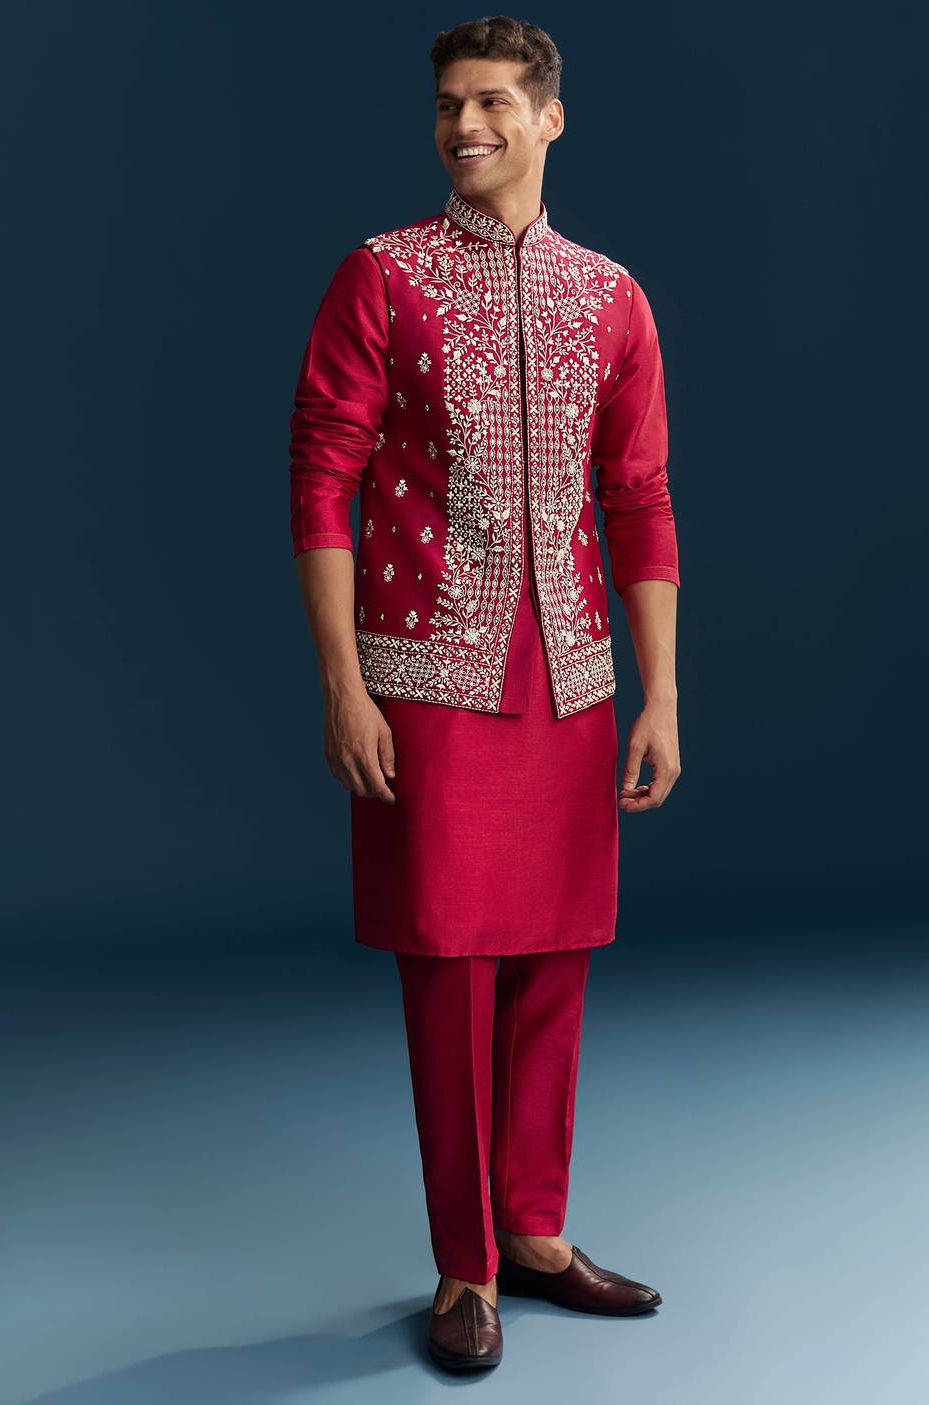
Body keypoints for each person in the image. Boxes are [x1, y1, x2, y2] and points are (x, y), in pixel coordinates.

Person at [288, 15, 680, 1372]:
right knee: (450, 967)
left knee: (557, 958)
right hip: (426, 675)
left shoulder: (612, 297)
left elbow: (640, 498)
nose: (466, 126)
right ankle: (466, 1266)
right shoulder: (381, 277)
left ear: (549, 118)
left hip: (572, 673)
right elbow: (321, 480)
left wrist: (659, 692)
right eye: (451, 104)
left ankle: (536, 1235)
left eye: (495, 102)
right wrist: (343, 684)